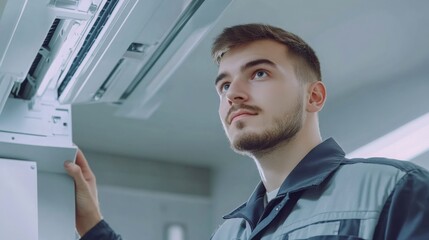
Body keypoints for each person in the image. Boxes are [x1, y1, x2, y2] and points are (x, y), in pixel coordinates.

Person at [65, 23, 429, 240]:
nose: (234, 93)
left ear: (314, 96)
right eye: (223, 86)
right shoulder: (232, 232)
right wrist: (92, 225)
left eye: (259, 73)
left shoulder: (395, 188)